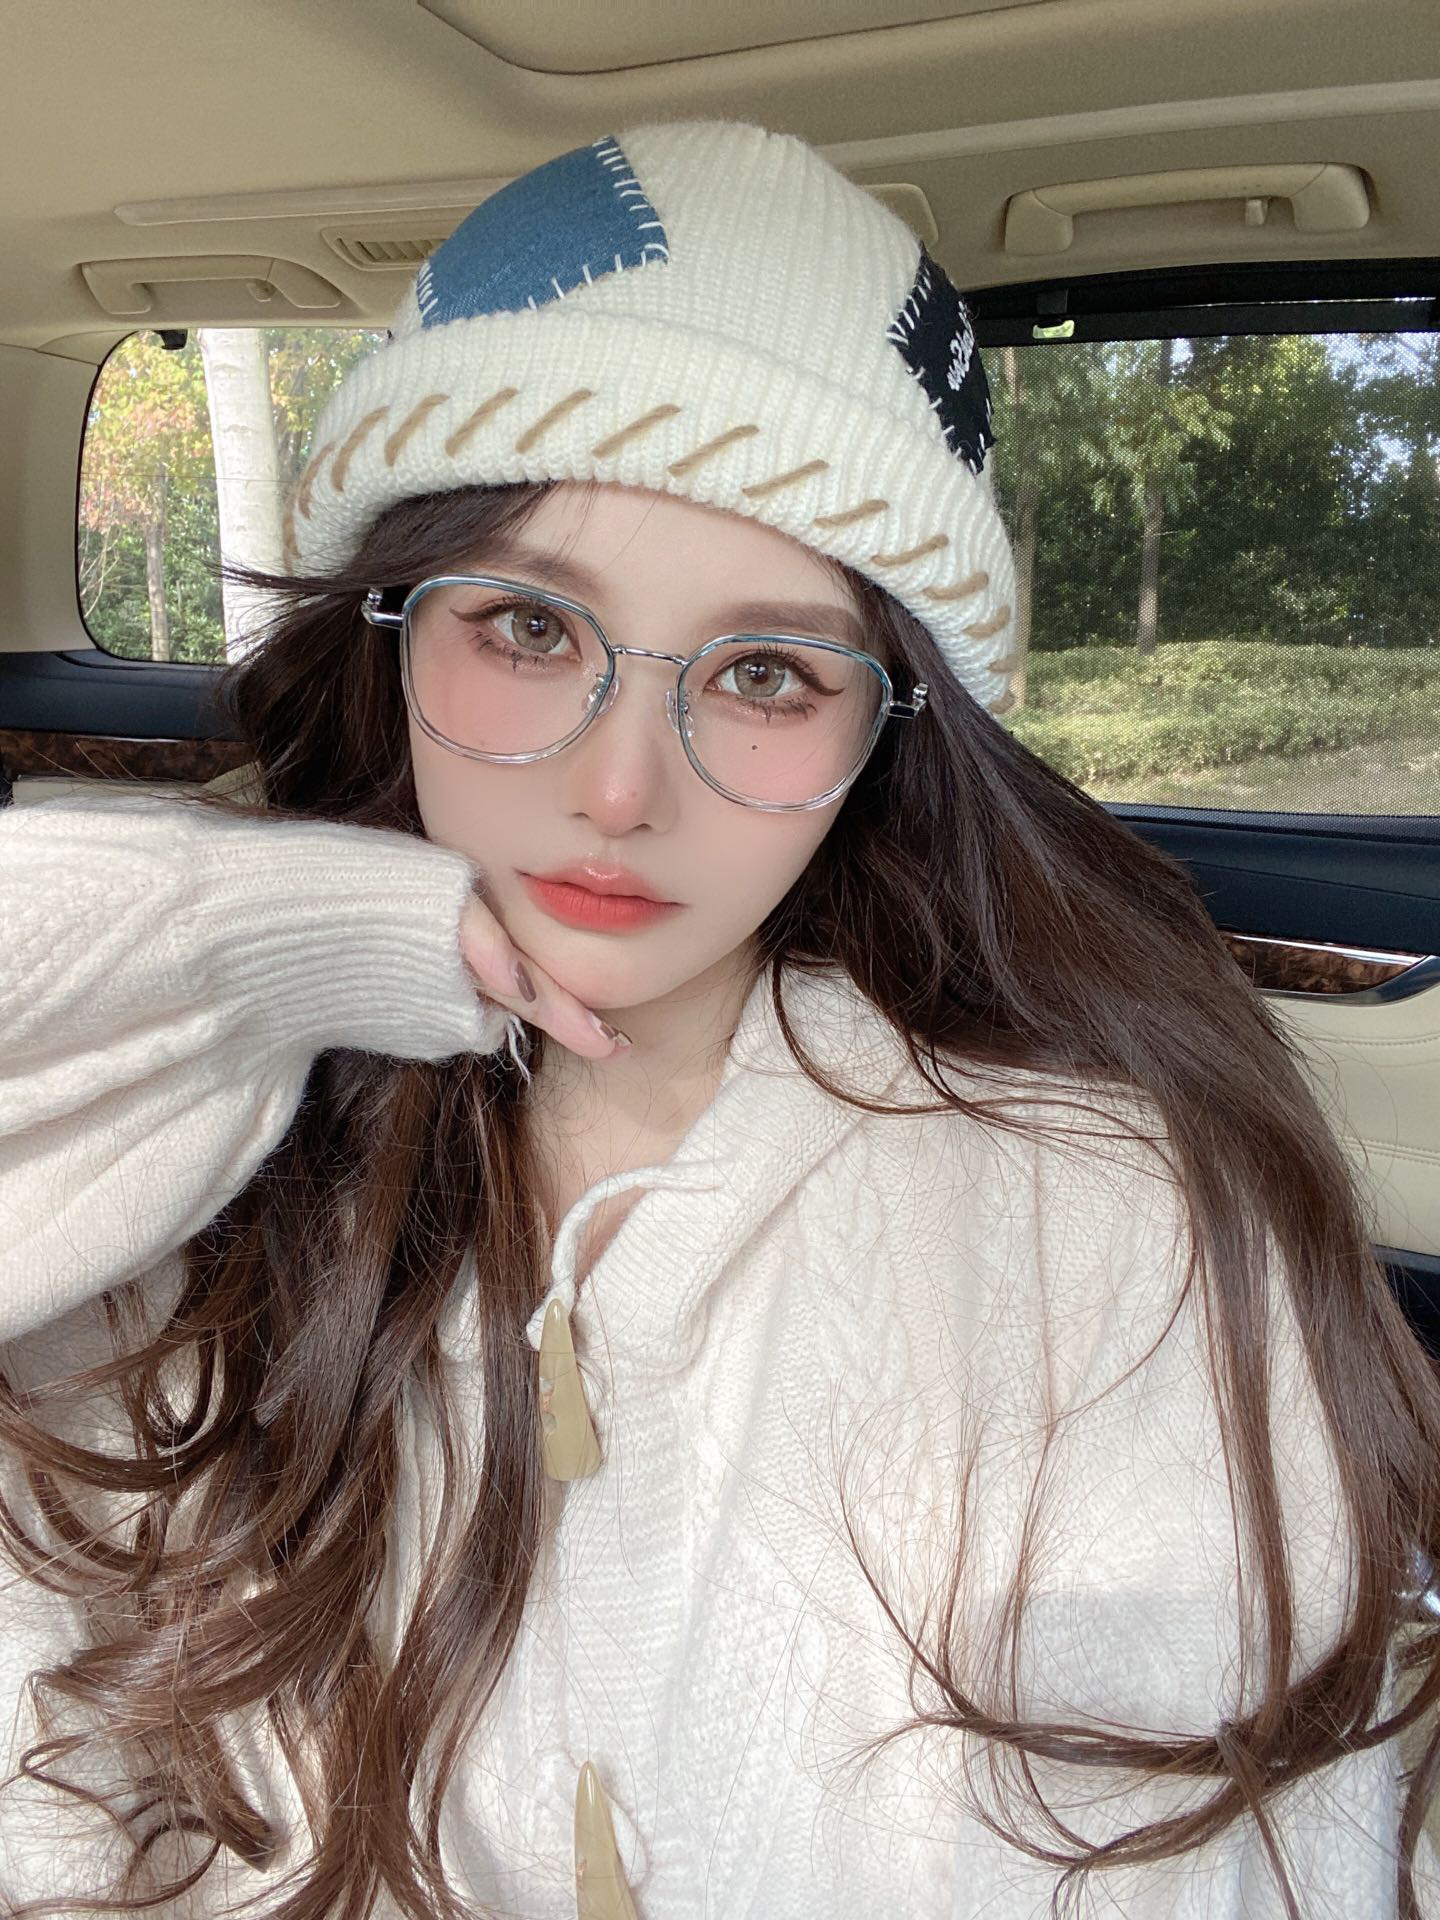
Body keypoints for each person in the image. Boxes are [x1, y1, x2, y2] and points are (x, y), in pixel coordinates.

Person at [1, 117, 1438, 1920]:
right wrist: (291, 936)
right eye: (528, 627)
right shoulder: (188, 1131)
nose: (621, 789)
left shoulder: (1094, 1205)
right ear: (388, 626)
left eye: (764, 672)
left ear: (886, 725)